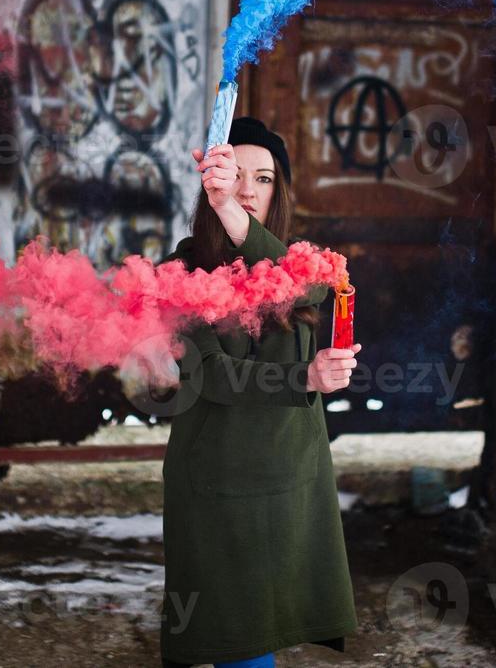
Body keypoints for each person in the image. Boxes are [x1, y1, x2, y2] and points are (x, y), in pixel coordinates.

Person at [158, 116, 361, 668]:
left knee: (267, 635)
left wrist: (328, 370)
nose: (248, 190)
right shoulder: (179, 270)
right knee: (238, 645)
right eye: (235, 175)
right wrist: (306, 378)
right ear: (211, 184)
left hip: (293, 481)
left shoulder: (297, 262)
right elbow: (214, 377)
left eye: (265, 178)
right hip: (218, 483)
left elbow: (314, 285)